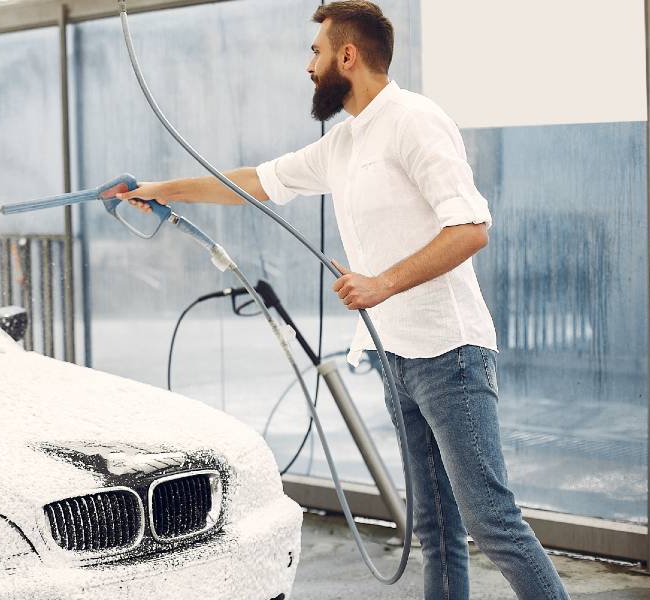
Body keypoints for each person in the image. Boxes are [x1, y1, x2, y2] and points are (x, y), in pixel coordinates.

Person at [115, 1, 570, 598]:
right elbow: (254, 182)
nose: (309, 66)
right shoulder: (345, 143)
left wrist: (381, 282)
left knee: (492, 522)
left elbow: (470, 228)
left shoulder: (415, 120)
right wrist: (158, 190)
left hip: (450, 356)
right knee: (434, 529)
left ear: (347, 56)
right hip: (395, 358)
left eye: (316, 52)